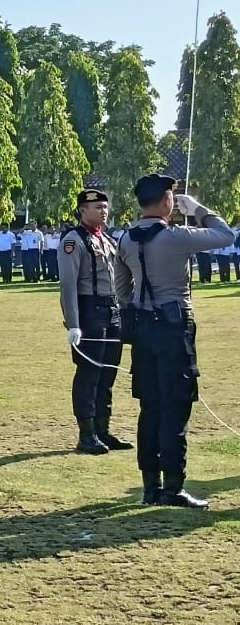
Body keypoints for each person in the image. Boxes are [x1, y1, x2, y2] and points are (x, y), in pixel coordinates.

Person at [114, 174, 235, 508]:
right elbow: (225, 235)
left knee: (149, 408)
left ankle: (150, 486)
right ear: (167, 202)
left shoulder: (125, 238)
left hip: (142, 328)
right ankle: (173, 487)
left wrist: (135, 310)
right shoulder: (175, 236)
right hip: (173, 326)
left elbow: (121, 288)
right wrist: (197, 210)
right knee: (175, 407)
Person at [59, 190, 131, 456]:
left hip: (112, 311)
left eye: (105, 207)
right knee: (89, 373)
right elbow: (68, 284)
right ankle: (86, 435)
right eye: (98, 207)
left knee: (108, 373)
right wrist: (74, 322)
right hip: (89, 311)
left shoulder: (107, 239)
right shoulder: (73, 241)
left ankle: (103, 429)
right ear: (82, 210)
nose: (104, 211)